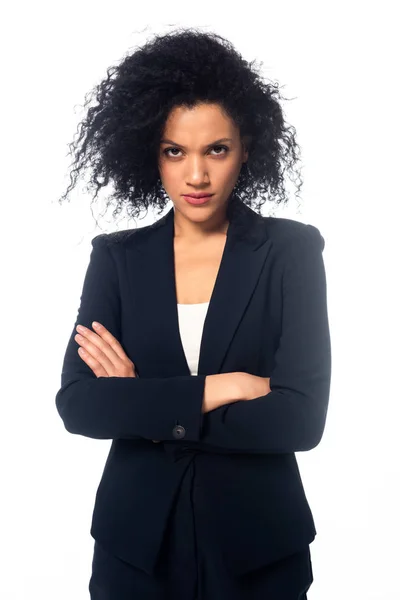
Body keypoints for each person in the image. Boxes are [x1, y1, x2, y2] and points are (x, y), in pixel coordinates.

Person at [55, 27, 331, 600]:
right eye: (174, 151)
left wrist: (142, 402)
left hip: (258, 552)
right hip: (136, 552)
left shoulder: (290, 251)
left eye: (217, 149)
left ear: (247, 148)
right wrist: (218, 388)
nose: (197, 176)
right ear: (149, 152)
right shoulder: (118, 258)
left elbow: (300, 420)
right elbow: (80, 404)